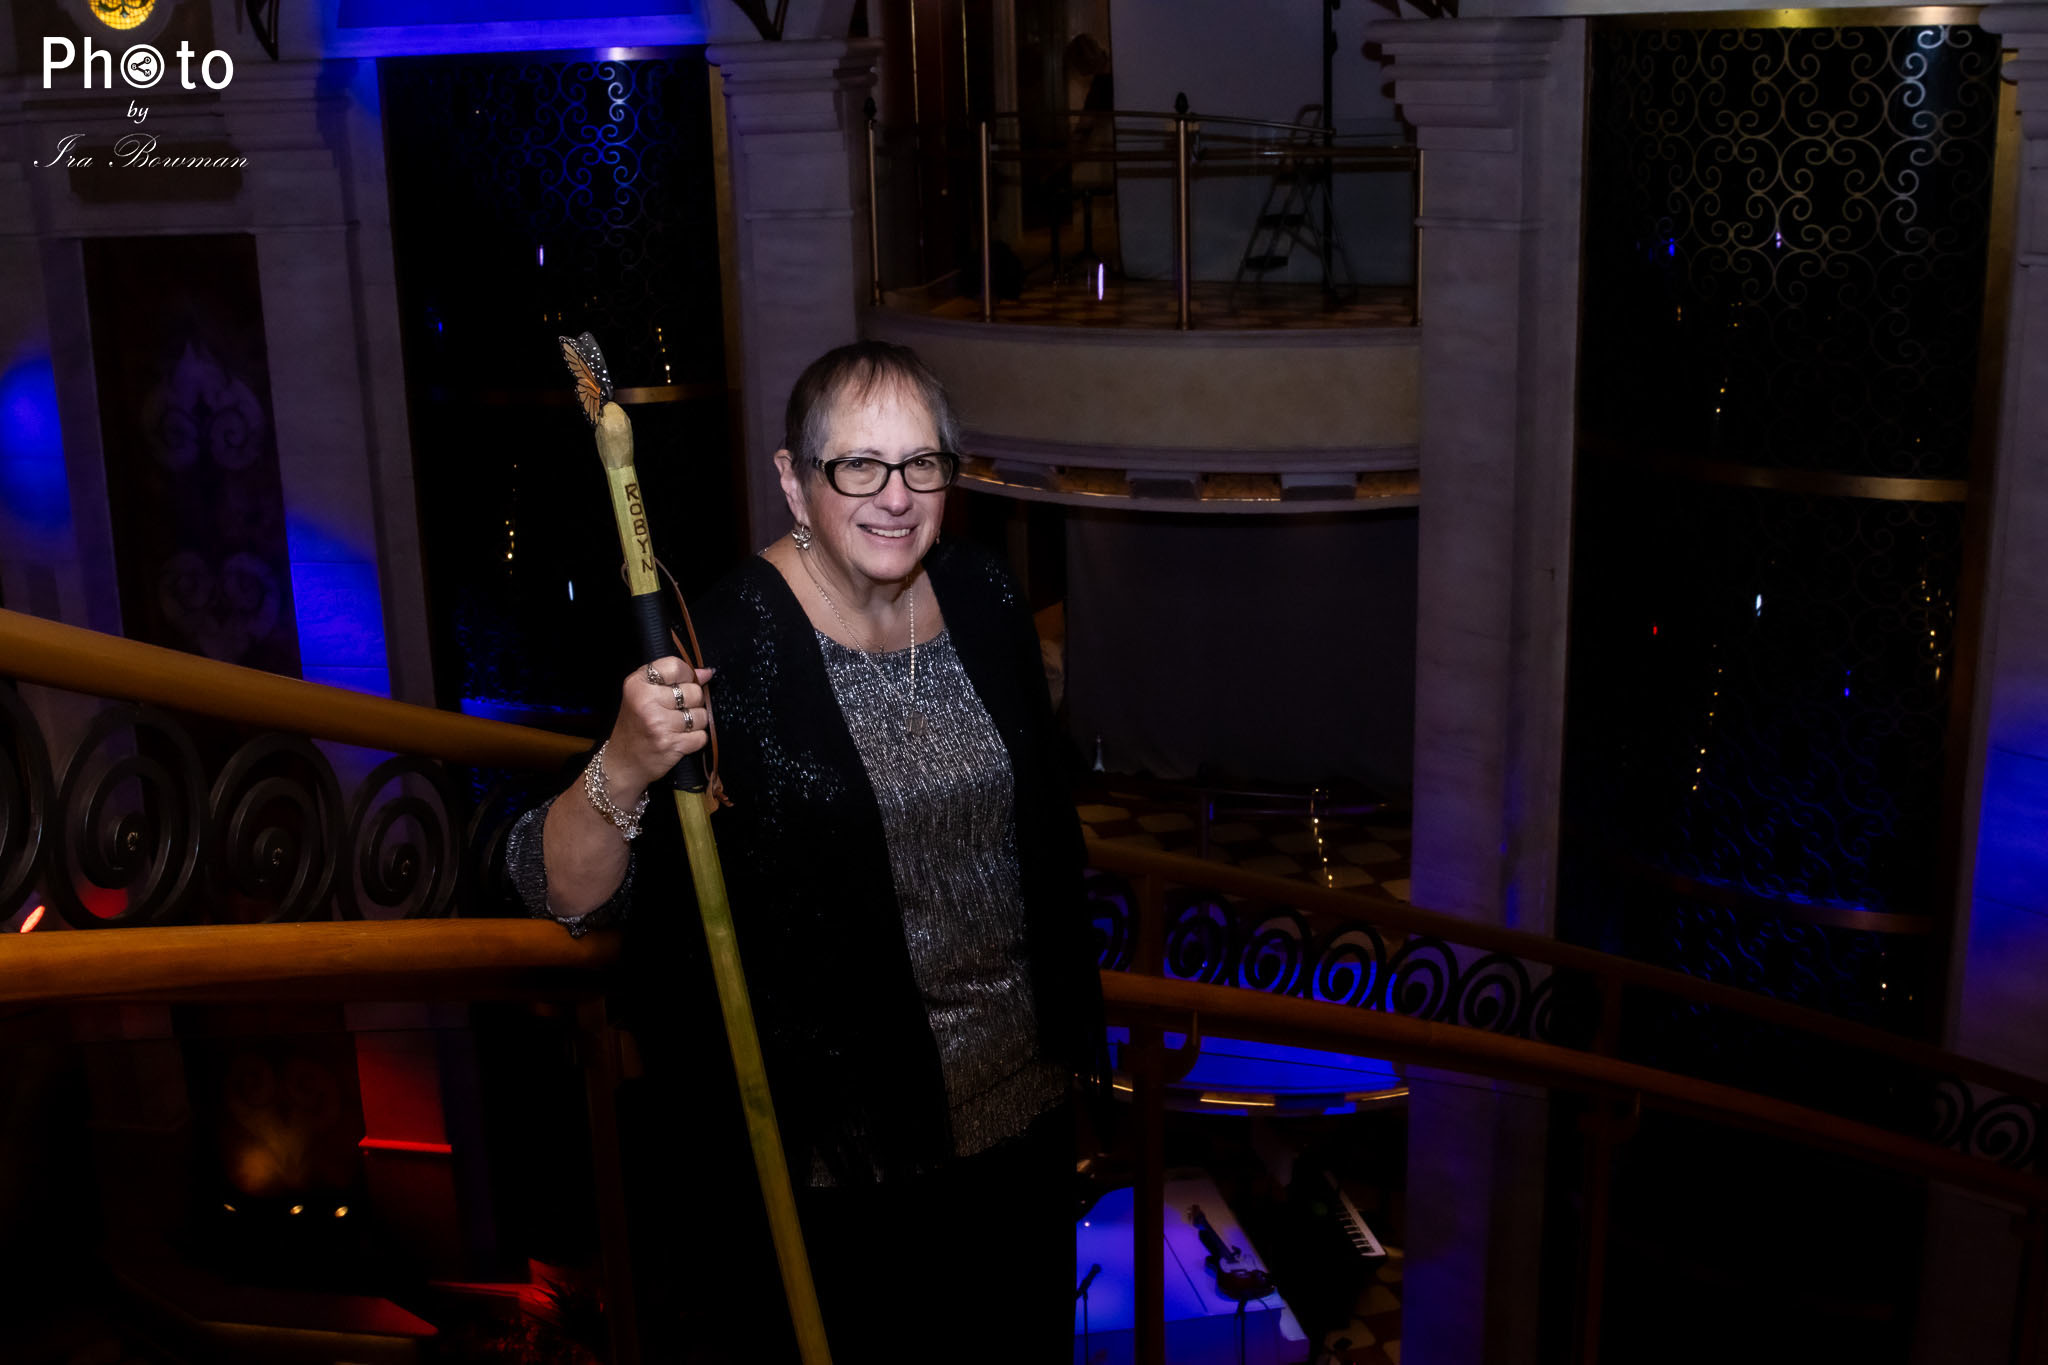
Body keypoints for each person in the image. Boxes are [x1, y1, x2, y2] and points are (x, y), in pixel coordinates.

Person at [503, 339, 1104, 1361]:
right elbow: (562, 891)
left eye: (921, 464)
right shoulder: (720, 648)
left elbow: (1038, 826)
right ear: (794, 479)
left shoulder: (983, 593)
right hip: (847, 1165)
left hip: (1024, 1119)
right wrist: (626, 760)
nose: (895, 497)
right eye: (857, 465)